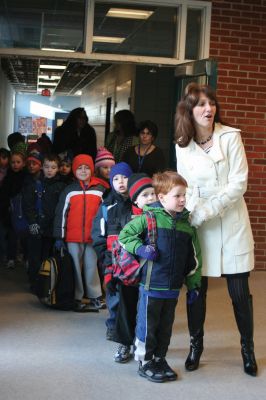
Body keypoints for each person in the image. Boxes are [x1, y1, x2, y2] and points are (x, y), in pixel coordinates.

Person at [175, 82, 257, 376]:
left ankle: (247, 348)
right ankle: (196, 346)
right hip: (200, 225)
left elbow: (239, 183)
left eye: (211, 103)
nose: (208, 109)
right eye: (201, 104)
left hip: (231, 221)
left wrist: (209, 209)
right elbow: (183, 186)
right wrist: (195, 211)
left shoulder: (231, 137)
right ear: (189, 110)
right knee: (197, 290)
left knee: (239, 292)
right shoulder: (182, 144)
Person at [118, 170, 202, 383]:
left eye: (184, 195)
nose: (183, 199)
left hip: (173, 288)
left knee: (165, 327)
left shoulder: (187, 225)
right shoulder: (149, 219)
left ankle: (159, 358)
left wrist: (194, 285)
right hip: (151, 285)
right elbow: (124, 236)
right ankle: (144, 361)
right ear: (162, 197)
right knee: (148, 326)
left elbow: (194, 258)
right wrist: (141, 248)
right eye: (178, 195)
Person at [53, 154, 109, 312]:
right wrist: (60, 236)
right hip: (72, 237)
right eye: (79, 168)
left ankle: (95, 296)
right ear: (74, 170)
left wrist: (104, 235)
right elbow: (61, 214)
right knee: (75, 268)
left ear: (92, 170)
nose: (83, 171)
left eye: (87, 168)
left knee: (92, 267)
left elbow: (106, 214)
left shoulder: (100, 189)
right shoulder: (69, 190)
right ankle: (76, 298)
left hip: (93, 237)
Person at [92, 162, 133, 340]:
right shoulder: (106, 206)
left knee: (133, 296)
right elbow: (98, 235)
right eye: (116, 178)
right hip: (112, 259)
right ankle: (113, 324)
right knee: (114, 294)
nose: (121, 182)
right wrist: (104, 257)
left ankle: (133, 325)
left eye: (125, 177)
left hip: (134, 259)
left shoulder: (139, 203)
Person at [22, 153, 66, 290]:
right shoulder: (34, 184)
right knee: (35, 257)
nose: (49, 170)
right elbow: (27, 205)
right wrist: (31, 222)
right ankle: (35, 284)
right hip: (37, 227)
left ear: (58, 168)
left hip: (52, 229)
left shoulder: (62, 186)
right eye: (47, 167)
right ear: (42, 167)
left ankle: (49, 284)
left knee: (49, 256)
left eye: (53, 167)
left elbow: (62, 209)